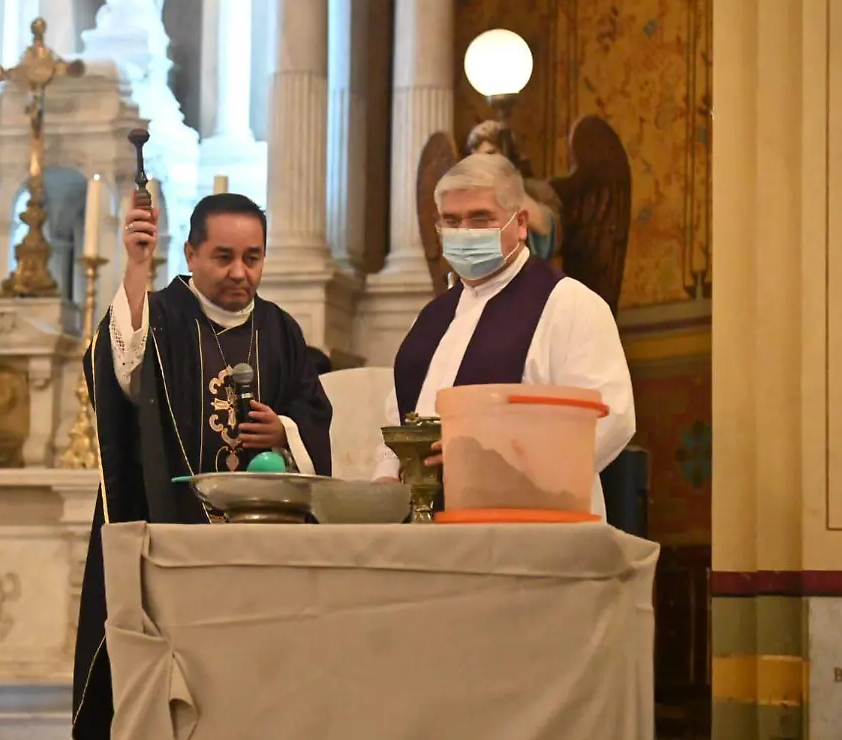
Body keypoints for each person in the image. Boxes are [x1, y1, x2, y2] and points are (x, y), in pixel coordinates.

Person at [71, 192, 333, 739]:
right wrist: (137, 267)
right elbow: (119, 374)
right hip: (176, 541)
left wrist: (285, 430)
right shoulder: (162, 314)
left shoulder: (281, 330)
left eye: (253, 257)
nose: (240, 272)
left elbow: (313, 412)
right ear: (190, 254)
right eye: (223, 256)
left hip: (263, 553)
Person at [373, 153, 634, 517]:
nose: (464, 232)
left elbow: (610, 417)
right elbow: (399, 412)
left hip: (528, 526)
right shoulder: (433, 318)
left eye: (480, 218)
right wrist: (387, 474)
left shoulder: (569, 304)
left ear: (521, 223)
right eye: (451, 221)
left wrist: (493, 460)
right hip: (426, 529)